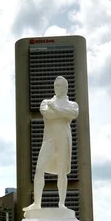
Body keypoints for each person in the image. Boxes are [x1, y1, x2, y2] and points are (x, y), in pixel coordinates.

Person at [25, 76, 79, 210]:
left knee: (62, 171)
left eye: (60, 85)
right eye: (55, 85)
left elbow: (73, 114)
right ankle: (37, 203)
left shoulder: (72, 104)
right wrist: (60, 112)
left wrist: (54, 108)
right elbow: (47, 114)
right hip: (49, 138)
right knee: (39, 168)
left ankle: (62, 203)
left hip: (64, 138)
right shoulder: (46, 102)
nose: (57, 88)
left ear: (66, 87)